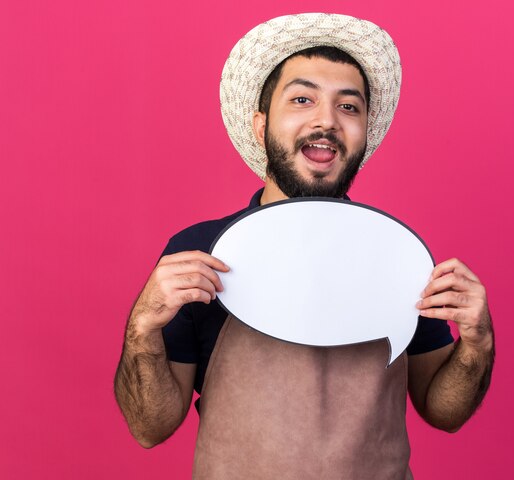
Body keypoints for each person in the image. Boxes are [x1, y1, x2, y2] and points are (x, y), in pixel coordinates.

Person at [114, 13, 494, 480]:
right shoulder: (199, 252)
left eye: (349, 107)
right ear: (260, 125)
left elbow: (444, 411)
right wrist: (142, 331)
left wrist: (478, 343)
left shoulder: (398, 254)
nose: (326, 121)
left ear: (364, 134)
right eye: (301, 99)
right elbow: (149, 428)